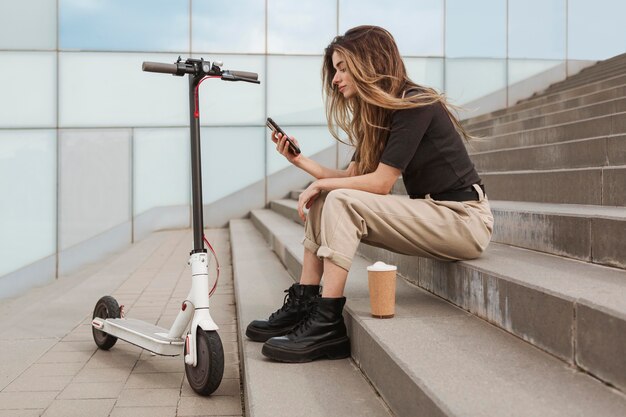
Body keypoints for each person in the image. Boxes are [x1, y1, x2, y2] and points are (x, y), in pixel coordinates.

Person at [246, 25, 493, 363]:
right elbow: (351, 178)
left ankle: (327, 322)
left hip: (464, 220)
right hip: (435, 214)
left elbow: (380, 184)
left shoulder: (415, 103)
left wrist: (322, 185)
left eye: (343, 67)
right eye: (335, 70)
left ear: (371, 62)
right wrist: (299, 161)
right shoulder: (380, 114)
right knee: (327, 198)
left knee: (337, 197)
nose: (335, 78)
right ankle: (305, 304)